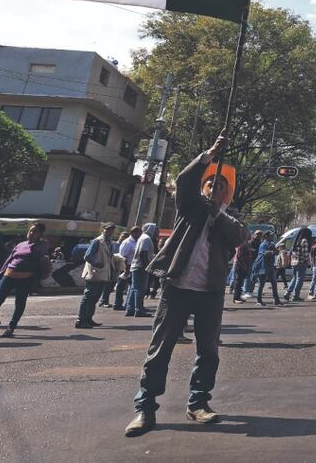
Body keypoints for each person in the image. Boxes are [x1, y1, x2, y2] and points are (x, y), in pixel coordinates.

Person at [125, 133, 246, 437]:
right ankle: (145, 407)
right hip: (176, 288)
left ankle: (198, 402)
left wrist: (219, 212)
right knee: (159, 350)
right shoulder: (190, 208)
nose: (214, 188)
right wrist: (210, 153)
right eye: (210, 184)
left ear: (227, 196)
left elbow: (239, 237)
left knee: (208, 351)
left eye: (220, 186)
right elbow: (183, 180)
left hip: (210, 293)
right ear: (202, 189)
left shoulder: (228, 220)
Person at [0, 222, 50, 338]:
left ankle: (11, 327)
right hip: (8, 275)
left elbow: (39, 256)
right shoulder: (20, 245)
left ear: (40, 235)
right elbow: (8, 260)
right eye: (30, 230)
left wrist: (37, 244)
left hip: (25, 278)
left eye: (35, 232)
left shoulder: (40, 246)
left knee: (19, 303)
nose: (31, 233)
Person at [76, 223, 117, 329]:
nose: (109, 232)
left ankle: (88, 318)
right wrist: (97, 263)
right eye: (107, 230)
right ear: (103, 230)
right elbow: (88, 256)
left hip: (103, 273)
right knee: (89, 296)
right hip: (95, 272)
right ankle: (81, 319)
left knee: (95, 297)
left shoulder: (110, 243)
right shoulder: (97, 241)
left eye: (111, 230)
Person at [124, 225, 156, 318]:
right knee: (140, 289)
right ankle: (138, 309)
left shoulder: (143, 237)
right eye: (155, 230)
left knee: (134, 288)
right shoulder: (146, 238)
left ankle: (130, 308)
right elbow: (143, 252)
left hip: (137, 266)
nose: (157, 232)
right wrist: (147, 266)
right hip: (141, 267)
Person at [252, 232, 283, 307]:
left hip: (271, 266)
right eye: (270, 235)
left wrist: (275, 251)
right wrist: (273, 252)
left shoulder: (272, 244)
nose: (272, 236)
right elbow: (266, 253)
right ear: (266, 236)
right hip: (263, 267)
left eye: (272, 235)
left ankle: (276, 300)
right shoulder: (263, 244)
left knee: (274, 283)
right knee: (261, 284)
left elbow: (277, 252)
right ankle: (259, 300)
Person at [286, 227, 314, 302]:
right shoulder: (304, 241)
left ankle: (288, 292)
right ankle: (295, 296)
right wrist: (307, 260)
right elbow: (305, 254)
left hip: (294, 262)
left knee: (294, 278)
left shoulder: (296, 241)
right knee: (299, 279)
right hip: (301, 262)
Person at [230, 232, 254, 304]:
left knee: (241, 282)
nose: (250, 236)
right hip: (240, 265)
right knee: (238, 282)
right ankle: (236, 298)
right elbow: (239, 256)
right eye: (249, 235)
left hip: (245, 265)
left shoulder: (246, 243)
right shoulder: (242, 244)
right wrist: (244, 265)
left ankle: (238, 296)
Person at [112, 231, 134, 310]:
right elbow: (123, 257)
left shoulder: (131, 242)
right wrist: (125, 268)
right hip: (123, 267)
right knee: (120, 287)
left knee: (127, 287)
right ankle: (117, 304)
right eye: (122, 236)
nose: (123, 238)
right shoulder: (126, 243)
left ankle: (125, 304)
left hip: (129, 267)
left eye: (125, 236)